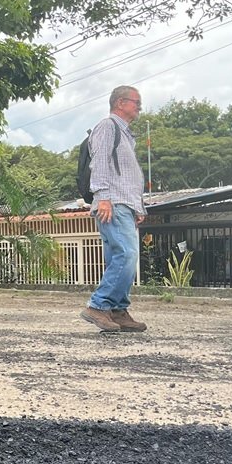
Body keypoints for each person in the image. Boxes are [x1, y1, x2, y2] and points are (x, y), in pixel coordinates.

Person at [81, 85, 148, 333]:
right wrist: (103, 197)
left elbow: (127, 175)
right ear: (120, 103)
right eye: (136, 102)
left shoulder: (126, 134)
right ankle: (98, 306)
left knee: (118, 258)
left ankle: (117, 310)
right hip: (113, 203)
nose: (139, 106)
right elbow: (99, 161)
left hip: (124, 204)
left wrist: (138, 207)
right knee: (126, 255)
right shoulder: (108, 127)